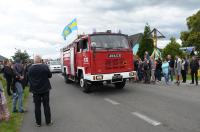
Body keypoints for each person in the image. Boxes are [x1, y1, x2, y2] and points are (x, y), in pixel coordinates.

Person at [28, 55, 52, 127]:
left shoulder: (30, 68)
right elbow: (50, 75)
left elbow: (28, 78)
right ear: (40, 60)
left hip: (35, 90)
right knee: (46, 105)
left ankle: (38, 123)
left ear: (34, 60)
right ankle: (48, 122)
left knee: (37, 106)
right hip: (45, 89)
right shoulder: (45, 67)